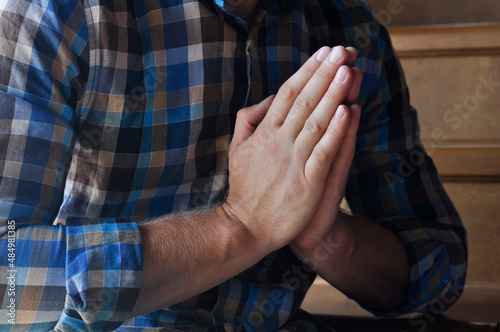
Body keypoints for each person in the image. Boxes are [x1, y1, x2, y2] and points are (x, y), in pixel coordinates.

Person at [0, 0, 467, 331]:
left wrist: (329, 241)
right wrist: (241, 226)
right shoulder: (56, 13)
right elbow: (7, 281)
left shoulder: (350, 27)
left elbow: (438, 275)